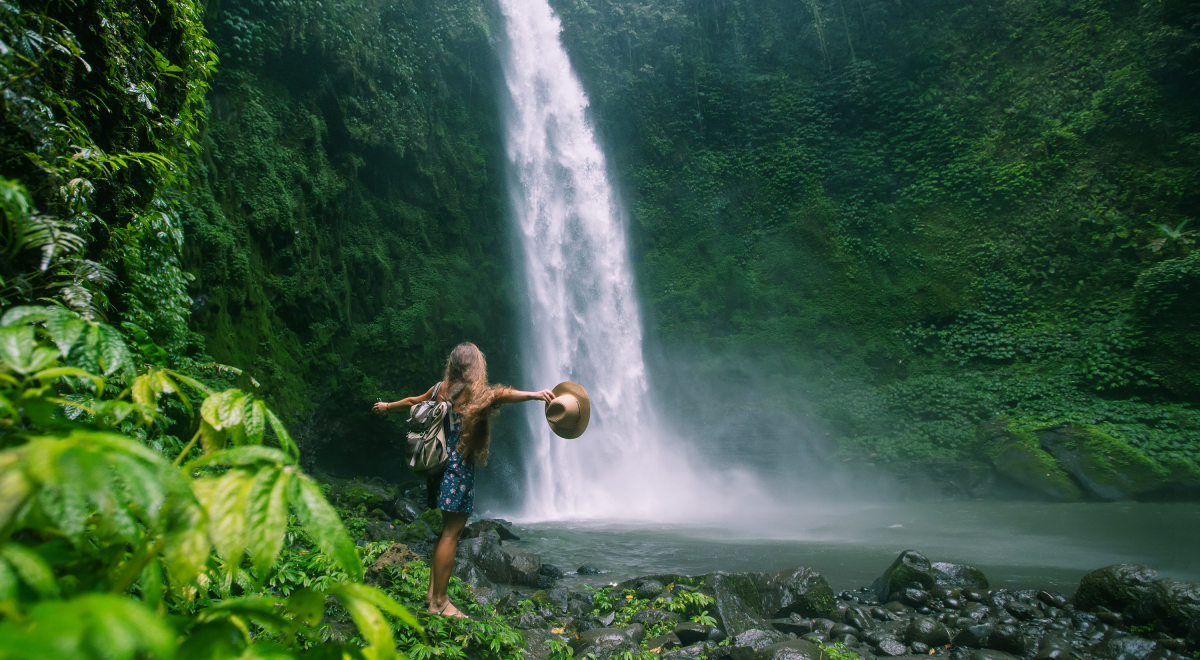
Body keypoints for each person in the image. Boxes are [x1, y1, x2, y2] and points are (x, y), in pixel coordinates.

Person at [373, 342, 552, 619]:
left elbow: (411, 402)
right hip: (458, 469)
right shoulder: (475, 392)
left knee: (445, 533)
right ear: (474, 366)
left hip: (439, 467)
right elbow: (502, 395)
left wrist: (386, 406)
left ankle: (433, 595)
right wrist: (534, 395)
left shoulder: (438, 389)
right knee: (451, 534)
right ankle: (440, 603)